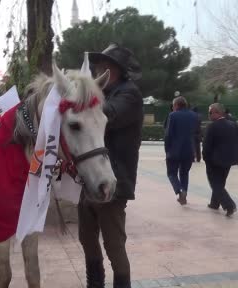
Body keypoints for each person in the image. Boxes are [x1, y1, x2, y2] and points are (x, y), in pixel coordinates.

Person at [85, 43, 143, 288]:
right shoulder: (107, 93)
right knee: (87, 237)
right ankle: (94, 284)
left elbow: (106, 116)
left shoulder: (129, 94)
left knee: (113, 243)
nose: (97, 71)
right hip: (91, 178)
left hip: (114, 179)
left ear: (115, 70)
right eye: (97, 67)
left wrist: (82, 96)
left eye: (103, 67)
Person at [203, 103, 238, 217]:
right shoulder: (233, 125)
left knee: (215, 184)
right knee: (220, 182)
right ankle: (214, 203)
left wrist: (205, 158)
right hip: (229, 159)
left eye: (210, 112)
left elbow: (207, 146)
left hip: (214, 160)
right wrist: (233, 152)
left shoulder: (212, 126)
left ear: (217, 112)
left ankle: (229, 205)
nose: (209, 115)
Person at [164, 97, 198, 205]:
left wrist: (167, 149)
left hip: (174, 150)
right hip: (189, 149)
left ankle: (179, 190)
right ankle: (184, 193)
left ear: (176, 105)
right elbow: (196, 133)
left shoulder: (172, 115)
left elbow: (168, 134)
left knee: (171, 173)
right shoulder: (194, 115)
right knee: (184, 173)